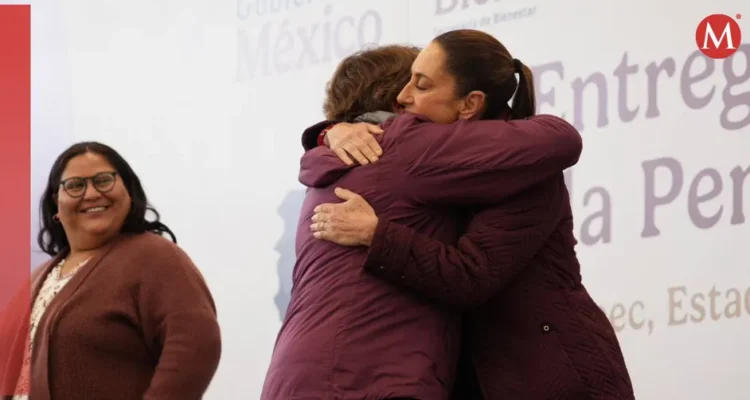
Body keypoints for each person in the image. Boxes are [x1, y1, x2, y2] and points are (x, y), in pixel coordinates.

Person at [306, 30, 636, 399]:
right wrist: (332, 131)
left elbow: (471, 275)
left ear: (469, 105)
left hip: (551, 374)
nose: (403, 98)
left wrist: (376, 234)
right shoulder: (434, 164)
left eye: (422, 85)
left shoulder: (524, 168)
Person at [0, 142, 221, 400]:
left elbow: (196, 344)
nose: (91, 194)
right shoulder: (39, 277)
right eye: (75, 185)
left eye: (103, 180)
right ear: (56, 204)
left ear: (129, 191)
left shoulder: (156, 258)